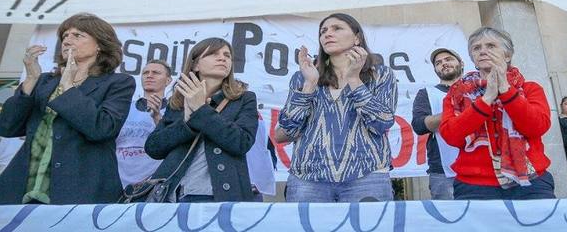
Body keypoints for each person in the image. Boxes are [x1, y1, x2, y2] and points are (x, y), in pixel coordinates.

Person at [0, 13, 135, 204]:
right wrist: (30, 79)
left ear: (100, 45)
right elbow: (7, 126)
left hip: (80, 190)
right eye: (65, 36)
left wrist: (68, 87)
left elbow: (102, 128)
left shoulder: (118, 83)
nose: (67, 40)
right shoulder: (45, 81)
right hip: (23, 189)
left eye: (78, 35)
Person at [276, 13, 398, 202]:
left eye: (336, 28)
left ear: (357, 37)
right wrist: (310, 84)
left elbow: (381, 123)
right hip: (308, 178)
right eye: (323, 31)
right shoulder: (303, 77)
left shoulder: (380, 75)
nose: (327, 34)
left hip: (366, 175)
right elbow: (288, 130)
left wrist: (354, 79)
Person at [439, 27, 554, 200]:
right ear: (474, 60)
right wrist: (486, 99)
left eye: (491, 46)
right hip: (473, 186)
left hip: (530, 182)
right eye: (477, 48)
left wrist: (506, 91)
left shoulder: (530, 89)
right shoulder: (456, 95)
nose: (483, 51)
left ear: (507, 56)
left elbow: (536, 127)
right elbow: (451, 136)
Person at [144, 38, 258, 203]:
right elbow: (153, 148)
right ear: (195, 65)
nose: (222, 58)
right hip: (172, 195)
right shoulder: (177, 101)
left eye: (227, 55)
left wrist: (201, 110)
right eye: (213, 54)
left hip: (218, 195)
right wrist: (187, 124)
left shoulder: (244, 98)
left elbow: (242, 142)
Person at [411, 48, 463, 200]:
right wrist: (455, 112)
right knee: (448, 220)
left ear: (461, 63)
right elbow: (419, 125)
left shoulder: (478, 87)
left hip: (482, 167)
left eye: (448, 59)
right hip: (443, 171)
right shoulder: (426, 93)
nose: (444, 64)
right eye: (438, 63)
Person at [115, 59, 173, 187]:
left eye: (156, 73)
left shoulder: (174, 110)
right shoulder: (124, 108)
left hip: (153, 186)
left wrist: (157, 117)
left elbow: (171, 142)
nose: (149, 75)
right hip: (118, 184)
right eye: (145, 72)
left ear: (168, 80)